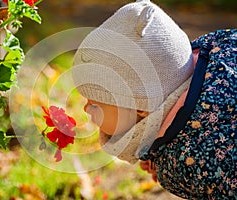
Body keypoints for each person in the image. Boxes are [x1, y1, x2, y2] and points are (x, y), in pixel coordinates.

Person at [71, 0, 237, 199]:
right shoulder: (218, 49)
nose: (85, 108)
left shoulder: (188, 161)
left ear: (141, 108)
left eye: (95, 103)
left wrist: (168, 164)